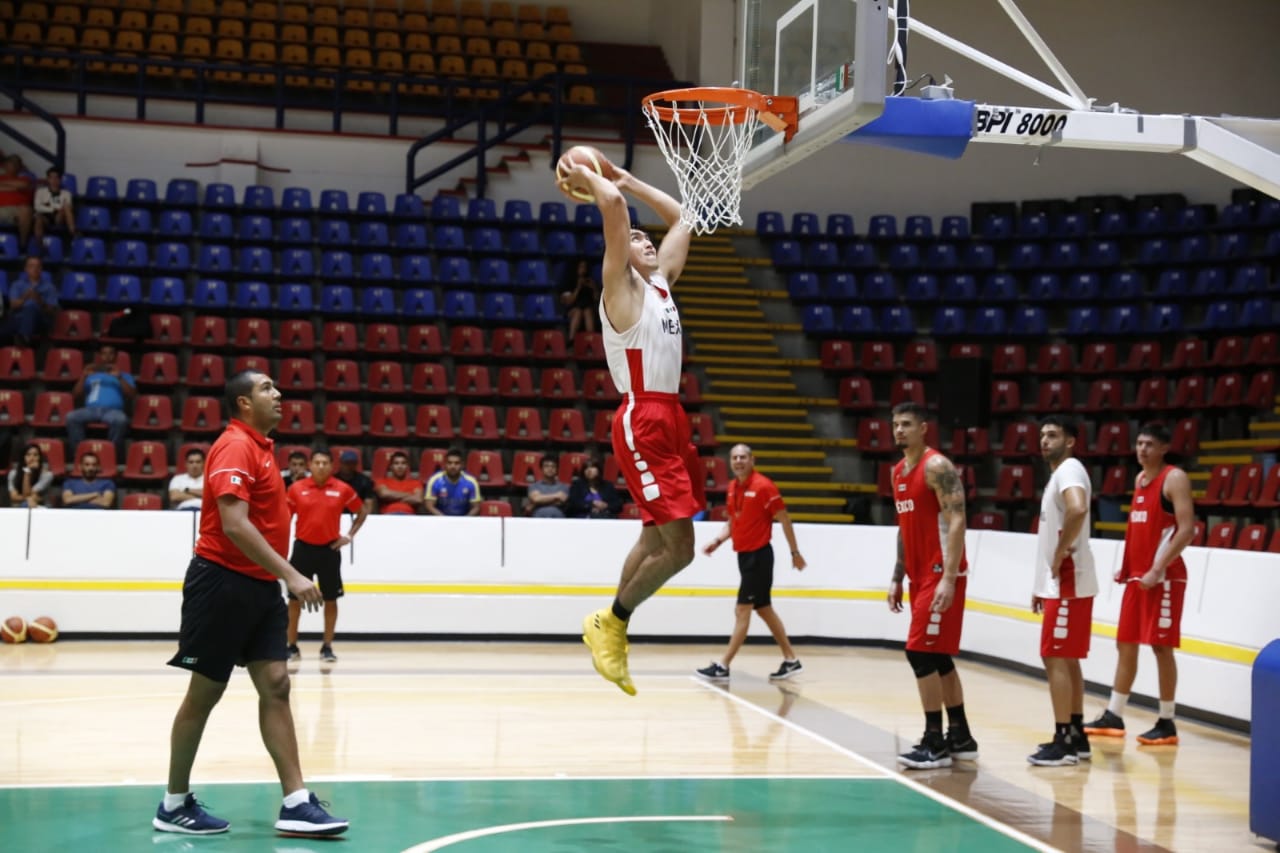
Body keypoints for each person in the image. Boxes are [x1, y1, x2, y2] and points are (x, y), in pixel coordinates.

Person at [154, 370, 347, 837]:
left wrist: (277, 579)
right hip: (221, 583)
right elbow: (234, 523)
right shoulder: (235, 445)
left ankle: (297, 801)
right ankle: (173, 804)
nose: (278, 394)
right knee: (205, 692)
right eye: (266, 388)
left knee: (277, 683)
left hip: (260, 589)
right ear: (243, 402)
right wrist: (293, 574)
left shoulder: (262, 447)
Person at [557, 150, 700, 696]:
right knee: (680, 548)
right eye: (635, 238)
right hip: (643, 415)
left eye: (647, 238)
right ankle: (613, 623)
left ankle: (610, 627)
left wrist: (631, 178)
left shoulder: (661, 284)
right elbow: (613, 207)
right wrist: (591, 176)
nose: (644, 239)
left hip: (671, 415)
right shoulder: (619, 288)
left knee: (654, 535)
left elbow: (684, 217)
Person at [1084, 422, 1196, 747]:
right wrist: (1127, 566)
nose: (1142, 449)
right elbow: (1140, 530)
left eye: (1149, 444)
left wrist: (1157, 567)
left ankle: (1167, 721)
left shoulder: (1173, 478)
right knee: (1126, 643)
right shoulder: (1140, 480)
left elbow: (1186, 530)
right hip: (1139, 577)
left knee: (1161, 647)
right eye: (1139, 443)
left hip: (1165, 577)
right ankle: (1114, 714)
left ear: (1163, 448)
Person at [887, 401, 978, 770]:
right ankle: (961, 737)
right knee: (938, 656)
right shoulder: (897, 472)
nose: (899, 431)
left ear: (924, 428)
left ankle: (934, 742)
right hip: (918, 575)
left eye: (907, 424)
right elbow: (903, 527)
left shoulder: (936, 466)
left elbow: (957, 520)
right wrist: (897, 574)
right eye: (895, 425)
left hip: (941, 574)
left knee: (919, 653)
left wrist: (950, 577)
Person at [695, 444, 806, 683]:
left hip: (759, 556)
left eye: (743, 457)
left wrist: (795, 552)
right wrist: (717, 541)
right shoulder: (733, 487)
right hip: (744, 556)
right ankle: (791, 660)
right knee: (763, 608)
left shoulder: (764, 487)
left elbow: (785, 520)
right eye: (734, 457)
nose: (738, 461)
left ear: (752, 460)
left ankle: (723, 666)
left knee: (742, 609)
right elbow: (733, 522)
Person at [1027, 417, 1097, 767]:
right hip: (1063, 582)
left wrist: (1058, 556)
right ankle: (1077, 734)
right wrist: (1042, 584)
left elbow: (1078, 509)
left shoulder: (1069, 469)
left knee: (1054, 656)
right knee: (1066, 657)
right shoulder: (1062, 473)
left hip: (1070, 579)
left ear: (1071, 441)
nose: (1044, 440)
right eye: (1041, 435)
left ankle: (1063, 740)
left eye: (1052, 435)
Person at [285, 448, 368, 663]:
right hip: (302, 549)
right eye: (317, 462)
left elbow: (362, 511)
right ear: (310, 465)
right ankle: (291, 646)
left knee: (331, 600)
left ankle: (327, 647)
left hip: (329, 551)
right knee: (294, 601)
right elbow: (284, 517)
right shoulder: (296, 489)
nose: (321, 466)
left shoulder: (342, 489)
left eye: (325, 463)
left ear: (331, 466)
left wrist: (348, 536)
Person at [67, 342, 136, 461]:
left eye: (111, 354)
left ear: (116, 356)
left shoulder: (124, 375)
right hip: (91, 410)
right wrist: (83, 376)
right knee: (71, 417)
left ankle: (110, 457)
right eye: (104, 354)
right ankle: (79, 456)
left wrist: (119, 377)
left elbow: (132, 394)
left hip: (112, 411)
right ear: (100, 356)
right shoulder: (91, 375)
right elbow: (75, 395)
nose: (107, 357)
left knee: (121, 420)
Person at [2, 255, 59, 346]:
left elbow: (52, 312)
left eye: (38, 266)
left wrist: (39, 301)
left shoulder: (49, 287)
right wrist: (25, 297)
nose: (35, 269)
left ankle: (23, 337)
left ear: (41, 269)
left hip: (39, 321)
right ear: (26, 269)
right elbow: (12, 305)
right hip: (18, 319)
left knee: (31, 306)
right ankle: (22, 337)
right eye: (31, 266)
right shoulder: (17, 285)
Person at [425, 448, 481, 516]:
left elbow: (476, 507)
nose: (453, 466)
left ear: (462, 465)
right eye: (449, 463)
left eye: (456, 463)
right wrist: (445, 520)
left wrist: (464, 521)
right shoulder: (434, 480)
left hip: (464, 521)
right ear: (445, 464)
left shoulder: (471, 482)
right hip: (440, 520)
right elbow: (429, 506)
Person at [32, 166, 76, 244]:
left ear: (60, 179)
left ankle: (73, 234)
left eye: (56, 178)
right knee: (38, 218)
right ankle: (39, 244)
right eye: (51, 177)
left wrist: (49, 206)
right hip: (44, 216)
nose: (54, 180)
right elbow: (37, 207)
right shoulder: (40, 192)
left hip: (59, 216)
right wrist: (53, 208)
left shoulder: (67, 193)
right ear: (48, 179)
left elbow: (68, 206)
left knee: (66, 208)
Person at [560, 259, 601, 340]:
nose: (583, 270)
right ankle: (571, 340)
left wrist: (594, 288)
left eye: (585, 267)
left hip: (588, 309)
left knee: (587, 311)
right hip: (572, 309)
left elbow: (597, 299)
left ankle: (590, 340)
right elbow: (569, 301)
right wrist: (578, 288)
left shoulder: (590, 281)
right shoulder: (570, 282)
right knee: (578, 312)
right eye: (581, 267)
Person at [0, 154, 34, 251]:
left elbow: (23, 185)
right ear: (5, 165)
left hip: (17, 210)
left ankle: (22, 245)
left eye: (16, 164)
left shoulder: (25, 179)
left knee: (26, 210)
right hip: (1, 209)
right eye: (11, 163)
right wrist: (14, 188)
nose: (14, 166)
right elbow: (18, 187)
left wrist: (4, 186)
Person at [374, 450, 424, 515]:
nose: (400, 466)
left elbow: (418, 499)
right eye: (396, 463)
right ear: (391, 466)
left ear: (407, 466)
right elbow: (384, 494)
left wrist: (392, 498)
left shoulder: (416, 483)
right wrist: (410, 494)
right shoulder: (381, 481)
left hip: (409, 517)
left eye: (403, 463)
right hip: (388, 516)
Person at [8, 442, 54, 508]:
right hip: (18, 508)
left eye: (35, 455)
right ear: (23, 457)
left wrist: (27, 471)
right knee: (25, 504)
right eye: (28, 455)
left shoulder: (47, 475)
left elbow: (27, 494)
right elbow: (14, 497)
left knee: (26, 504)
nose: (32, 458)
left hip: (41, 507)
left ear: (40, 458)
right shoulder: (13, 474)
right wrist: (28, 498)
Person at [332, 449, 376, 517]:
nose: (349, 466)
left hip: (358, 515)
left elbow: (368, 505)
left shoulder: (364, 481)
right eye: (346, 463)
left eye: (352, 463)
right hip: (335, 515)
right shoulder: (332, 481)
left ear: (356, 464)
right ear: (341, 463)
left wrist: (363, 518)